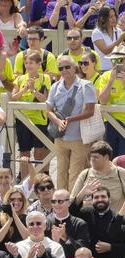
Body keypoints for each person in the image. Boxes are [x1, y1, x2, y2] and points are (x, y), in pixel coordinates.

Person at [47, 54, 97, 191]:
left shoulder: (86, 85)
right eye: (61, 68)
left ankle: (72, 206)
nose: (64, 70)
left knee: (76, 175)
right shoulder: (55, 86)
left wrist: (70, 119)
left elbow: (90, 111)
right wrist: (58, 122)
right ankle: (61, 204)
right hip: (60, 137)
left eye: (67, 67)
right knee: (60, 173)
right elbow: (49, 110)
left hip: (79, 137)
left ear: (75, 68)